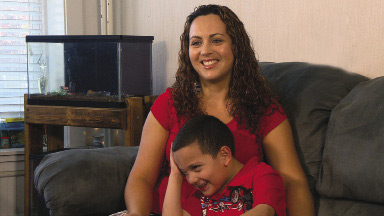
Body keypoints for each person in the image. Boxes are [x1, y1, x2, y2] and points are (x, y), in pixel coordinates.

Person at [124, 4, 314, 216]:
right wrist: (136, 213)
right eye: (196, 43)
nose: (205, 51)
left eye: (217, 40)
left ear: (235, 46)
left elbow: (292, 181)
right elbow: (141, 176)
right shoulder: (170, 103)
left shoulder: (263, 109)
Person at [162, 115, 286, 216]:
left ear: (225, 155)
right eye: (185, 173)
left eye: (195, 168)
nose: (191, 179)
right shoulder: (201, 197)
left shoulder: (262, 175)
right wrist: (175, 175)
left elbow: (264, 212)